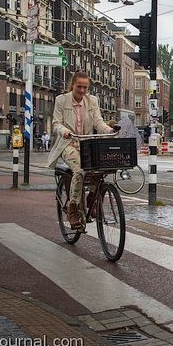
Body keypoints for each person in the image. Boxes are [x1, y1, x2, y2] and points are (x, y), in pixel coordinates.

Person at [46, 71, 115, 230]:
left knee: (101, 168)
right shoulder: (61, 100)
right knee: (79, 171)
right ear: (73, 85)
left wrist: (110, 131)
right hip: (68, 143)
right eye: (79, 87)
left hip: (86, 144)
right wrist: (64, 131)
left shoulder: (92, 101)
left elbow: (98, 122)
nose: (82, 91)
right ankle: (73, 209)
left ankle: (92, 198)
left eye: (85, 87)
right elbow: (56, 123)